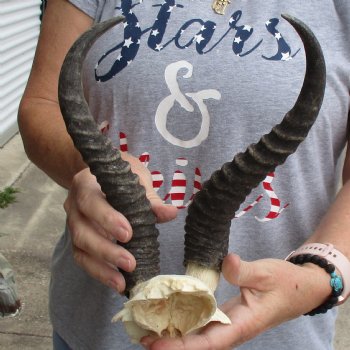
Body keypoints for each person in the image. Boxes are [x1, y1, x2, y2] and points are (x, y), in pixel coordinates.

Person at [18, 0, 350, 349]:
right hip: (98, 327)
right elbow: (42, 104)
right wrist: (96, 171)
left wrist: (320, 271)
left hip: (279, 334)